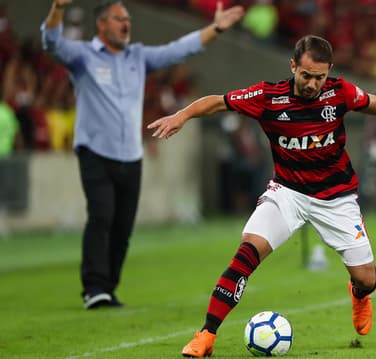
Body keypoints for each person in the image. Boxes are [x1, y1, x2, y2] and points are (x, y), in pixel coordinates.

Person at [148, 35, 376, 358]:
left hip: (336, 198)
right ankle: (206, 335)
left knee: (368, 278)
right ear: (293, 66)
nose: (312, 84)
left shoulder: (340, 92)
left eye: (319, 77)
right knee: (246, 253)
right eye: (306, 76)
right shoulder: (268, 96)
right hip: (288, 193)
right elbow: (217, 101)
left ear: (329, 72)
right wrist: (182, 115)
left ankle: (359, 293)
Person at [41, 0, 244, 309]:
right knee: (101, 216)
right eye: (119, 18)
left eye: (128, 18)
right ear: (102, 24)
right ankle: (94, 287)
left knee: (122, 226)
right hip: (95, 152)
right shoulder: (83, 56)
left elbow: (179, 49)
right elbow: (52, 43)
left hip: (131, 155)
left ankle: (108, 287)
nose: (126, 23)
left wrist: (214, 28)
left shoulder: (137, 56)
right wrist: (57, 9)